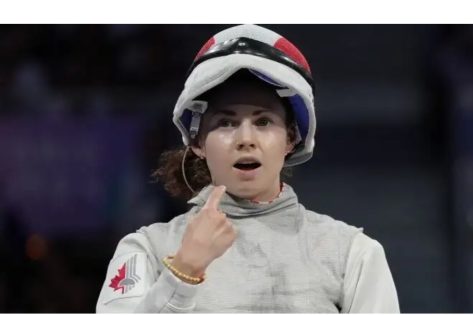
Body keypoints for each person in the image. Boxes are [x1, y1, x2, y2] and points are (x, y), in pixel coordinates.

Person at [96, 24, 399, 313]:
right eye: (226, 123)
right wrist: (183, 272)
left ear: (291, 138)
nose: (245, 139)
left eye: (263, 122)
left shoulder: (351, 254)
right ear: (198, 142)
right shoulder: (147, 250)